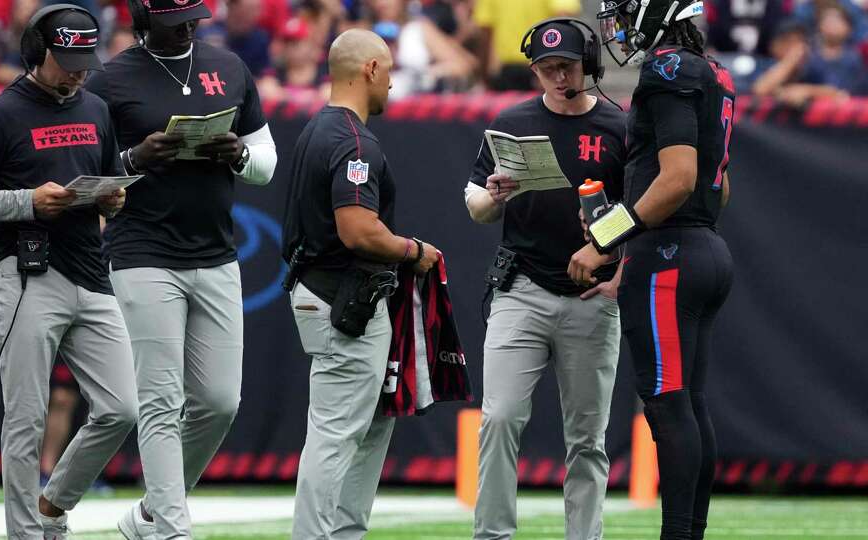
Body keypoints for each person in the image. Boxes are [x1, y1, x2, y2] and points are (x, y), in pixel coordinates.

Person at [0, 4, 136, 538]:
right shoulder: (0, 113)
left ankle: (52, 504)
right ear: (37, 52)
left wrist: (111, 201)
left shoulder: (96, 108)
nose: (77, 71)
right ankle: (27, 535)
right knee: (25, 419)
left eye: (84, 60)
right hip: (29, 275)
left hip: (91, 272)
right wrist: (27, 201)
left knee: (122, 407)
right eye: (67, 59)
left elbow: (106, 181)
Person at [84, 0, 277, 536]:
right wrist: (133, 161)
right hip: (142, 250)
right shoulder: (110, 80)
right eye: (175, 21)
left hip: (215, 251)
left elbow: (266, 163)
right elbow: (86, 176)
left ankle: (150, 512)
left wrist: (236, 153)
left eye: (193, 16)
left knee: (219, 402)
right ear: (142, 19)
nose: (189, 28)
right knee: (161, 398)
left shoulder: (230, 67)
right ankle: (171, 527)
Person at [572, 1, 736, 538]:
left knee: (668, 407)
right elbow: (719, 185)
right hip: (704, 249)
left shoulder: (668, 69)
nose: (616, 27)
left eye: (624, 13)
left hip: (670, 257)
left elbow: (678, 178)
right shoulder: (711, 71)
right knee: (689, 402)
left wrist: (604, 240)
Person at [464, 18, 626, 540]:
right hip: (522, 289)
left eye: (567, 67)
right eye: (547, 69)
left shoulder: (618, 127)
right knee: (501, 417)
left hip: (592, 296)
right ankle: (492, 535)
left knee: (587, 438)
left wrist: (611, 259)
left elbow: (643, 212)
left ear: (589, 66)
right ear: (534, 72)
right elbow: (475, 206)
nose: (558, 77)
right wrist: (494, 195)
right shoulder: (511, 121)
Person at [281, 28, 440, 539]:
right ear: (370, 69)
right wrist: (415, 251)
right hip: (342, 302)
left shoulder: (315, 130)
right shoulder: (353, 141)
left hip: (328, 294)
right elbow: (358, 230)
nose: (392, 84)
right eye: (389, 71)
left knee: (371, 424)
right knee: (336, 433)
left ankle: (345, 532)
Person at [472, 0, 581, 90]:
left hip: (513, 69)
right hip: (542, 66)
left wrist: (484, 76)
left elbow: (485, 33)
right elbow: (564, 16)